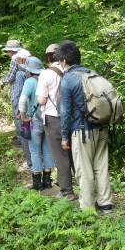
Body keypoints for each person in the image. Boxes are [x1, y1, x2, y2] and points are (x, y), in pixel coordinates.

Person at [58, 40, 112, 214]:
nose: (60, 63)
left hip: (82, 130)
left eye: (60, 60)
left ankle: (87, 207)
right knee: (101, 165)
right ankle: (105, 203)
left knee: (84, 168)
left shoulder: (68, 79)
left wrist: (64, 136)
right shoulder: (92, 73)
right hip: (101, 126)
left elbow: (65, 112)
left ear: (65, 60)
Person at [37, 43, 76, 200]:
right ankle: (83, 184)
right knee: (74, 153)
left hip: (53, 118)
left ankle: (67, 191)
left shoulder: (46, 74)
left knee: (60, 156)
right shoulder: (70, 71)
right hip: (72, 117)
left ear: (47, 58)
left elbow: (41, 100)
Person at [19, 56, 54, 191]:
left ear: (29, 70)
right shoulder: (47, 79)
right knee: (47, 150)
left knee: (34, 151)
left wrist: (23, 116)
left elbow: (22, 100)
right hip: (49, 120)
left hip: (35, 121)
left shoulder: (30, 82)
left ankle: (37, 182)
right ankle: (48, 181)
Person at [11, 49, 33, 171]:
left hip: (23, 111)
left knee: (25, 136)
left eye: (18, 59)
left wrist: (17, 111)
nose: (16, 61)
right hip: (33, 110)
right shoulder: (33, 73)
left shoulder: (20, 74)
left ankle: (30, 163)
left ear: (23, 60)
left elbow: (18, 94)